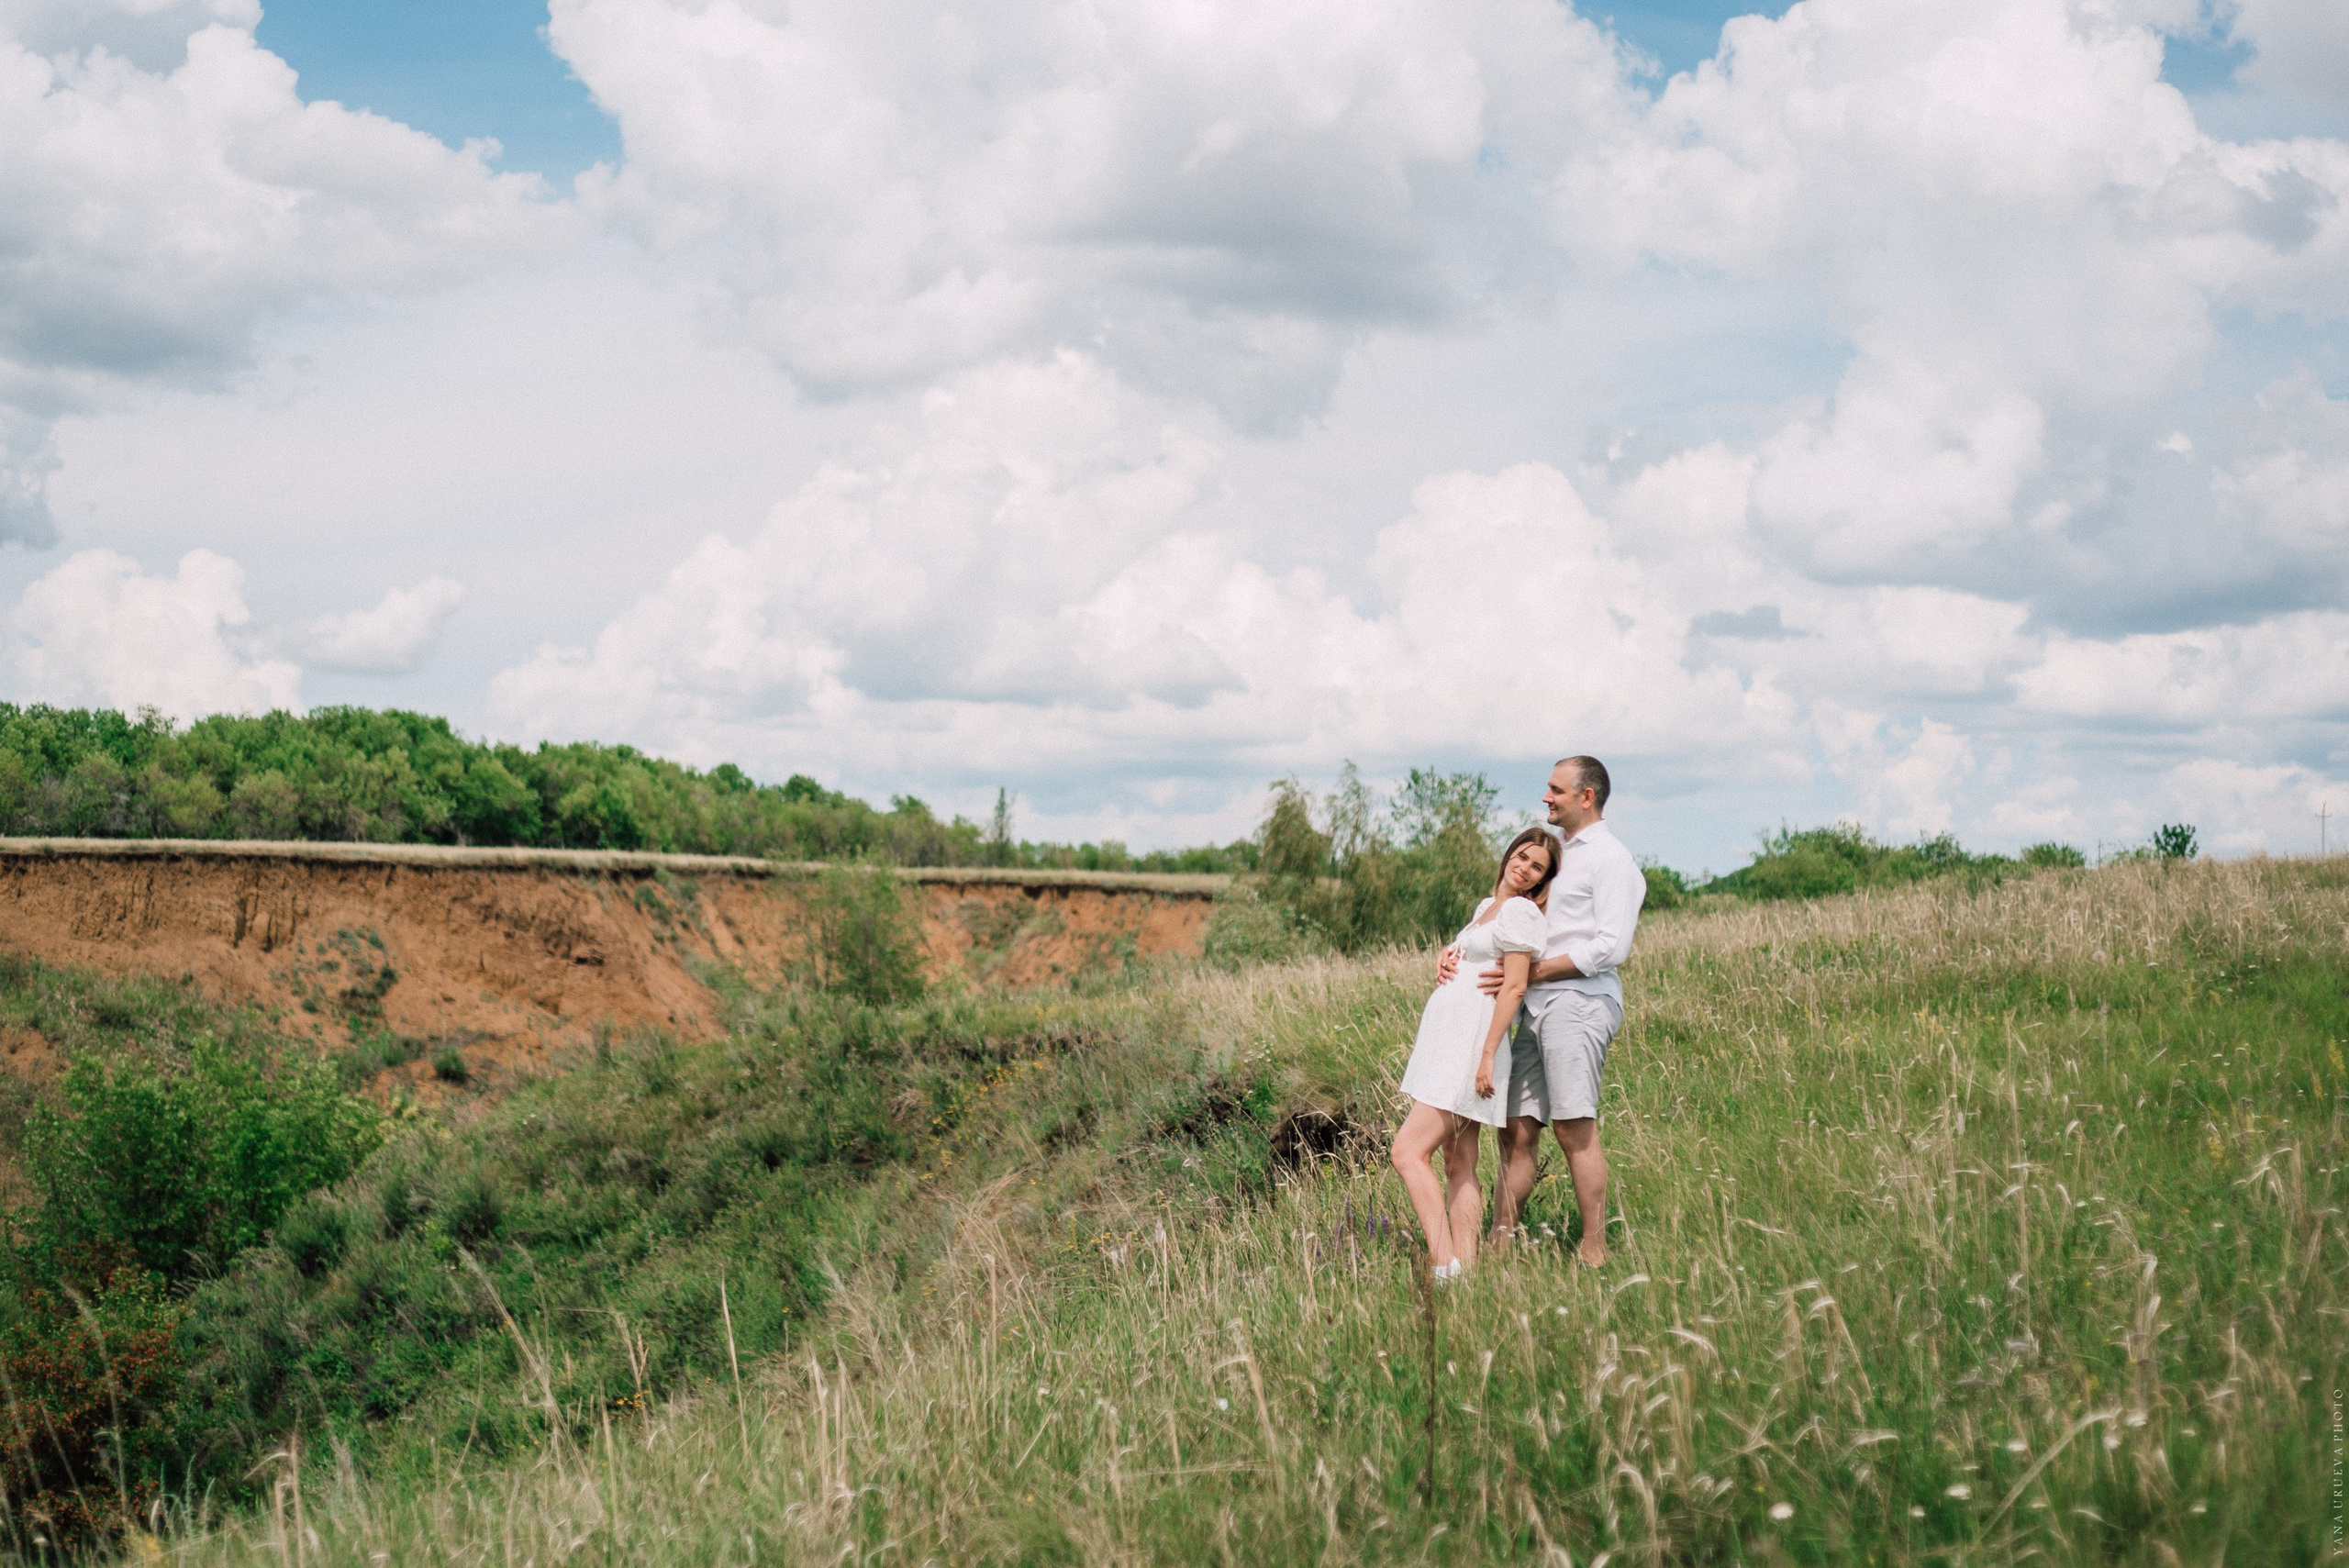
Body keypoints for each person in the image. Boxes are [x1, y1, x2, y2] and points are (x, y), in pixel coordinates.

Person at [1440, 755, 1644, 1266]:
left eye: (1555, 789)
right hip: (1533, 1008)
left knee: (1574, 1127)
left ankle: (1593, 1249)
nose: (1546, 797)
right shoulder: (1562, 854)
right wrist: (1461, 951)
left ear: (1586, 796)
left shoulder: (1611, 859)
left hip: (1577, 1003)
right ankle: (1499, 1242)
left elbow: (1611, 947)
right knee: (1517, 1129)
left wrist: (1536, 973)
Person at [1389, 828, 1560, 1280]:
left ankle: (1445, 1265)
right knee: (1458, 1161)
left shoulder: (1522, 912)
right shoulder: (1487, 909)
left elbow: (1516, 985)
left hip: (1470, 1046)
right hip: (1447, 1040)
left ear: (1542, 881)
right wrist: (1446, 960)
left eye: (1536, 866)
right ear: (1509, 855)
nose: (1523, 867)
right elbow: (1472, 962)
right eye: (1522, 856)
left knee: (1406, 1153)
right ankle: (1469, 1270)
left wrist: (1487, 1055)